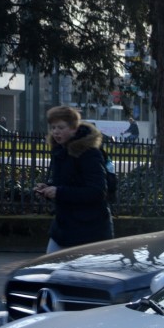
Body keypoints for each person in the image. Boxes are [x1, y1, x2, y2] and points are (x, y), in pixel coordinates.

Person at [34, 105, 113, 254]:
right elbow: (67, 184)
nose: (56, 132)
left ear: (74, 129)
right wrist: (48, 189)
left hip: (90, 230)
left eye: (61, 127)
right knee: (50, 268)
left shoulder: (89, 153)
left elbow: (97, 191)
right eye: (53, 127)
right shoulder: (60, 150)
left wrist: (59, 192)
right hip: (64, 226)